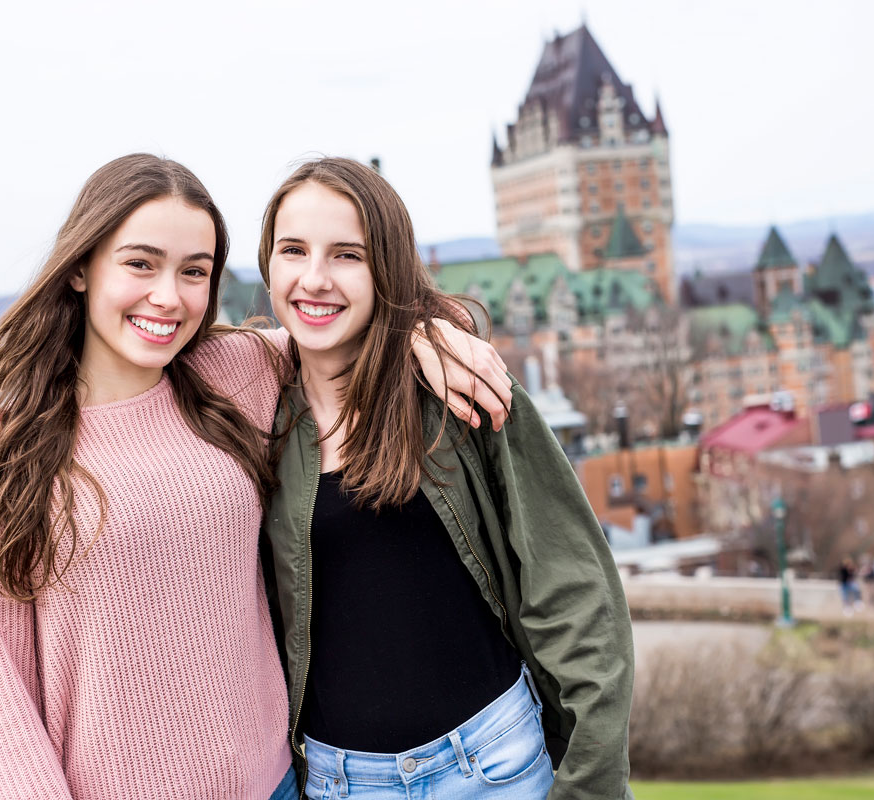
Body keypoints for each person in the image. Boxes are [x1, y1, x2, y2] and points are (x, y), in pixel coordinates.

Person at [0, 154, 511, 800]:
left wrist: (436, 332)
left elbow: (348, 329)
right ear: (81, 267)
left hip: (279, 785)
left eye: (193, 271)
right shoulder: (2, 454)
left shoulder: (233, 377)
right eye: (140, 263)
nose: (168, 296)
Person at [257, 158, 635, 799]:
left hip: (493, 765)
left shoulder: (462, 391)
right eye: (293, 250)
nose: (314, 279)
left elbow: (575, 592)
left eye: (348, 255)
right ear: (267, 263)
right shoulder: (247, 405)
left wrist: (594, 780)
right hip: (341, 783)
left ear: (387, 269)